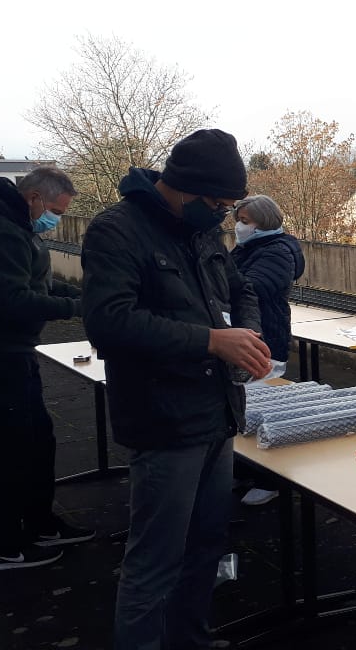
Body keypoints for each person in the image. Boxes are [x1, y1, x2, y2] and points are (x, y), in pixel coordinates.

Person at [81, 129, 272, 650]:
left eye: (230, 207)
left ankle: (190, 639)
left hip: (217, 413)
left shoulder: (202, 230)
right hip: (164, 418)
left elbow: (242, 286)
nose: (223, 214)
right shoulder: (116, 231)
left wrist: (249, 334)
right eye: (217, 203)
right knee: (155, 558)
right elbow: (109, 323)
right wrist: (211, 341)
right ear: (183, 188)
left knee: (205, 546)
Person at [0, 166, 95, 571]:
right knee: (12, 448)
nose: (57, 220)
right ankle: (5, 546)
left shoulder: (16, 227)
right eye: (54, 210)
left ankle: (39, 524)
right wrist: (81, 308)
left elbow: (39, 283)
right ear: (33, 199)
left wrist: (85, 293)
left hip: (11, 350)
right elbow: (14, 301)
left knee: (37, 440)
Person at [230, 194, 305, 506]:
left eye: (245, 221)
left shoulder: (276, 252)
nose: (238, 227)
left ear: (263, 222)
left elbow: (250, 287)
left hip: (266, 341)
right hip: (248, 337)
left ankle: (270, 479)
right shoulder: (250, 248)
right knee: (242, 412)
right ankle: (245, 470)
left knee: (263, 413)